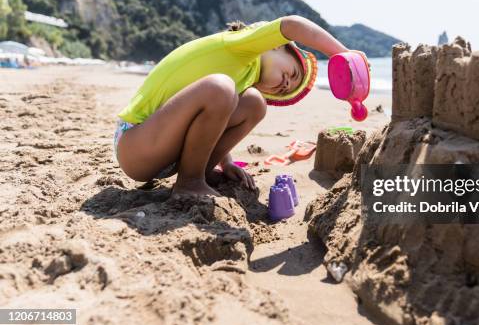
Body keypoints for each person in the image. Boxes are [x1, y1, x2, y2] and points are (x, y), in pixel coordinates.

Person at [114, 15, 358, 201]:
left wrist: (226, 162)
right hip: (136, 143)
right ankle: (189, 181)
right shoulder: (242, 46)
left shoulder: (245, 76)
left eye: (287, 89)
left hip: (165, 151)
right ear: (275, 45)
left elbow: (212, 119)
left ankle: (201, 172)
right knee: (220, 88)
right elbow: (294, 24)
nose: (286, 84)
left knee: (254, 102)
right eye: (291, 74)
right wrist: (344, 55)